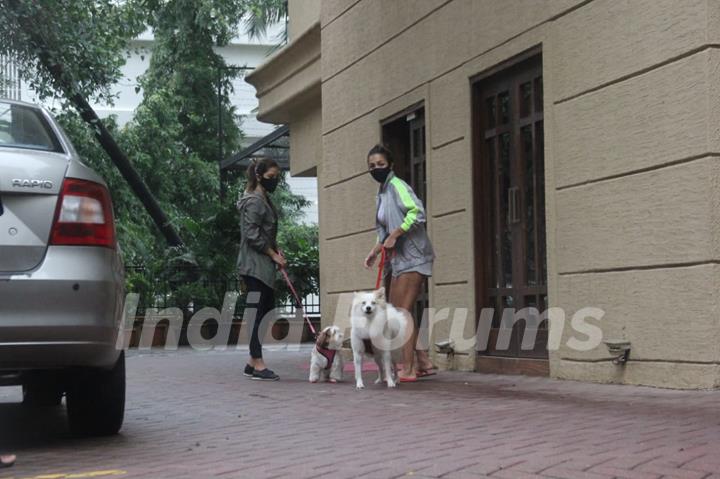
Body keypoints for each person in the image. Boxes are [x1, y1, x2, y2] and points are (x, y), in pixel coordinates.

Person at [363, 144, 436, 382]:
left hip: (414, 256)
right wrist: (375, 250)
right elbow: (383, 228)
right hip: (397, 260)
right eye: (372, 166)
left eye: (380, 165)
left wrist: (396, 234)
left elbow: (417, 212)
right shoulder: (382, 193)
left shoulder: (397, 186)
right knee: (395, 311)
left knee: (402, 312)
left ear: (390, 165)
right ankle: (424, 361)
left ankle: (409, 367)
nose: (376, 169)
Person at [237, 158, 285, 381]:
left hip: (262, 265)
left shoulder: (263, 199)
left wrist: (276, 250)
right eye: (271, 177)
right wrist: (272, 253)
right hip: (254, 266)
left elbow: (264, 232)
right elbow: (252, 234)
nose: (274, 181)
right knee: (257, 314)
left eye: (277, 177)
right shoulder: (255, 201)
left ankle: (251, 361)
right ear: (259, 176)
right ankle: (257, 363)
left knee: (265, 312)